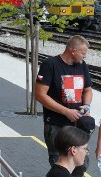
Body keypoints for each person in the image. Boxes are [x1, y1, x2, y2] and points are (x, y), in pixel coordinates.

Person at [34, 35, 93, 166]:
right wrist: (66, 111)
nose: (85, 57)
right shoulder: (50, 65)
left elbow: (88, 90)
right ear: (73, 51)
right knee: (60, 162)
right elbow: (39, 95)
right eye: (83, 53)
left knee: (80, 164)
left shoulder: (82, 66)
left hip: (77, 126)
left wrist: (87, 106)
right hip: (56, 125)